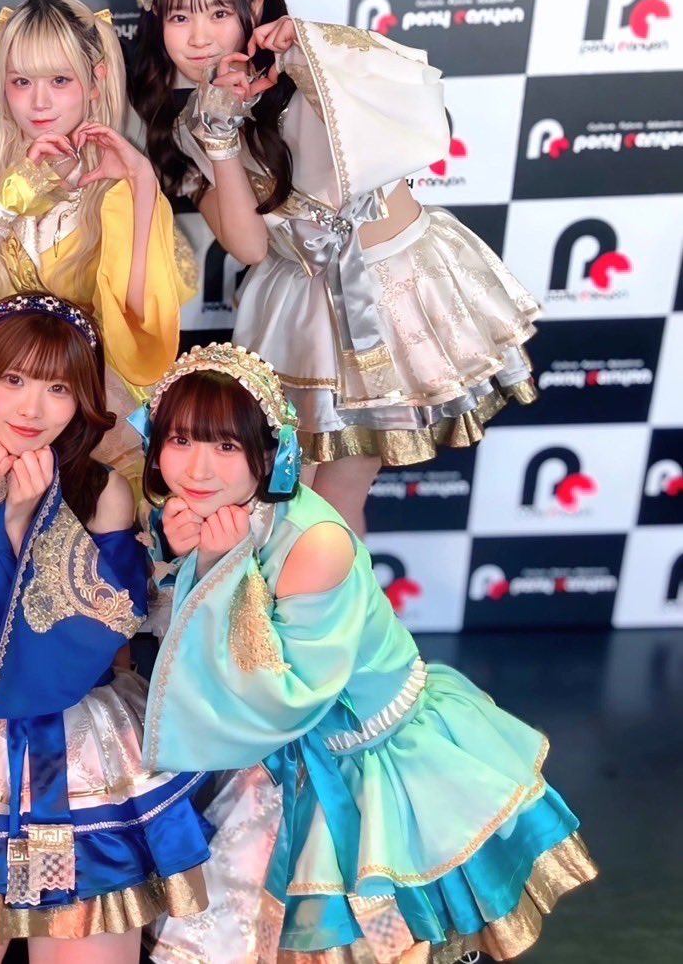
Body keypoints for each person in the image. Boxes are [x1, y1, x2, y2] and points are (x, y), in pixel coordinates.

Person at [140, 343, 596, 962]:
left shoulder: (316, 543)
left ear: (268, 453)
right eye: (180, 441)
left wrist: (215, 567)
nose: (197, 468)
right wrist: (183, 556)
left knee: (380, 939)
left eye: (225, 445)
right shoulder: (206, 513)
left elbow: (285, 696)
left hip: (363, 761)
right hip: (281, 756)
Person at [129, 0, 540, 532]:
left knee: (336, 501)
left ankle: (337, 598)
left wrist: (307, 47)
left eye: (219, 13)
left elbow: (419, 108)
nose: (198, 36)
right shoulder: (192, 126)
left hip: (388, 293)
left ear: (255, 8)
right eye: (179, 17)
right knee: (287, 499)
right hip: (299, 309)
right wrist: (219, 134)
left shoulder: (317, 69)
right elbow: (249, 245)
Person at [0, 293, 213, 964]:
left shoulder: (102, 491)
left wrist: (31, 521)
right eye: (14, 379)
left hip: (84, 746)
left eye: (57, 388)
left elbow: (94, 648)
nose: (32, 408)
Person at [0, 0, 194, 492]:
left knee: (109, 516)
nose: (39, 102)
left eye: (60, 80)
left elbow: (140, 324)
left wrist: (142, 185)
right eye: (21, 82)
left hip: (89, 397)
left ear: (96, 80)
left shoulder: (119, 171)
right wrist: (6, 200)